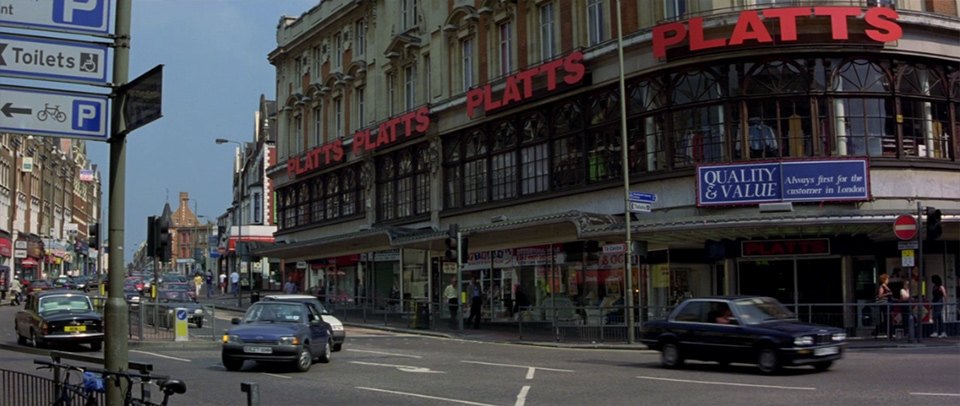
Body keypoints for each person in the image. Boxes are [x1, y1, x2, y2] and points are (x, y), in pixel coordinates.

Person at [873, 273, 893, 338]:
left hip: (888, 304)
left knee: (889, 318)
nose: (888, 280)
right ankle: (886, 333)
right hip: (884, 304)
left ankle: (889, 333)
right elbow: (880, 295)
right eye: (887, 279)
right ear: (884, 280)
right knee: (886, 318)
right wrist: (887, 294)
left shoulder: (886, 286)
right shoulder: (882, 286)